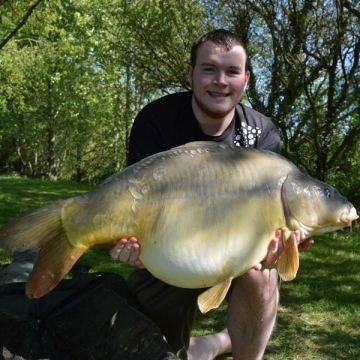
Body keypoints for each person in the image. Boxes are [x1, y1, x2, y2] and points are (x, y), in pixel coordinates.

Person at [109, 29, 313, 360]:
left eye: (232, 72)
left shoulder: (262, 133)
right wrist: (129, 244)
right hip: (170, 253)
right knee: (161, 353)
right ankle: (217, 343)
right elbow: (136, 207)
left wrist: (280, 244)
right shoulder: (156, 120)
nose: (220, 81)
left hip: (238, 253)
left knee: (262, 276)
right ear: (190, 74)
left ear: (245, 79)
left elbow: (273, 224)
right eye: (209, 69)